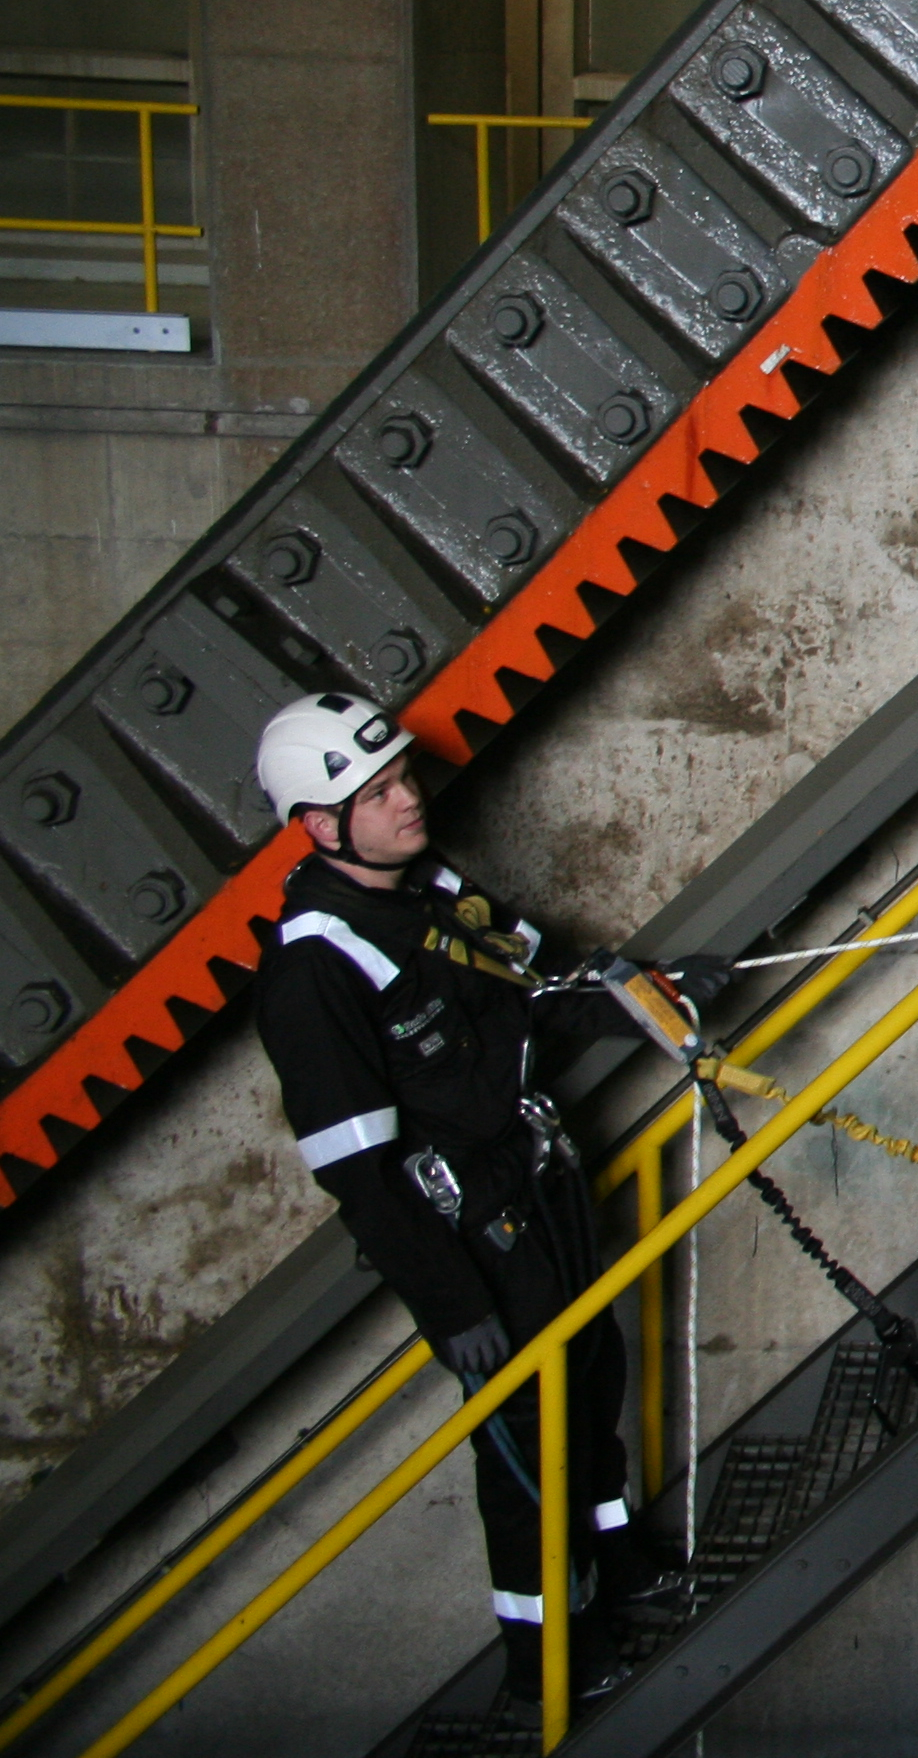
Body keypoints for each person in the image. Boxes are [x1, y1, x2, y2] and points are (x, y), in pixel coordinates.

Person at [248, 693, 699, 1707]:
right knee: (525, 1447)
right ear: (320, 825)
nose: (410, 800)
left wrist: (662, 998)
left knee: (590, 1382)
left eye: (404, 779)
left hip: (538, 1185)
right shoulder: (314, 966)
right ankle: (542, 1664)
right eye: (381, 792)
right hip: (469, 1231)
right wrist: (449, 1303)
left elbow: (544, 992)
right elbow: (356, 1170)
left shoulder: (436, 890)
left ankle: (620, 1572)